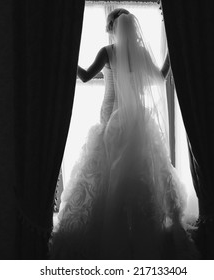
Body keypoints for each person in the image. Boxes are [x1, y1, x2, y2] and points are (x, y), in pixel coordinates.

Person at [49, 8, 199, 259]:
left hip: (111, 117)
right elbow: (161, 76)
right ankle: (140, 224)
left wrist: (65, 59)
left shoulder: (107, 52)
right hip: (136, 119)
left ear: (112, 28)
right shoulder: (139, 53)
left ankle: (107, 223)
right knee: (139, 169)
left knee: (106, 169)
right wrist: (174, 50)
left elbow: (85, 77)